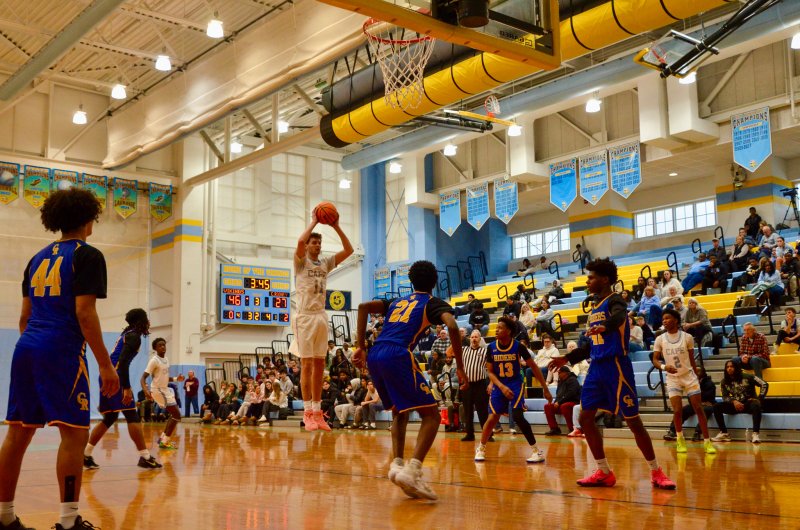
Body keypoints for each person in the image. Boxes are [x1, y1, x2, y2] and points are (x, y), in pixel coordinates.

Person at [0, 188, 119, 530]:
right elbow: (85, 313)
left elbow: (24, 318)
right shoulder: (88, 255)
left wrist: (35, 351)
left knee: (17, 434)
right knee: (74, 435)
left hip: (27, 347)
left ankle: (4, 516)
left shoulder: (36, 259)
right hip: (61, 350)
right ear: (89, 220)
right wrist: (105, 364)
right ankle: (69, 522)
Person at [549, 258, 676, 489]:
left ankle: (656, 471)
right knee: (585, 418)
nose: (588, 281)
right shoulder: (594, 309)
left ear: (605, 279)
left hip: (616, 366)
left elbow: (619, 318)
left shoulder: (615, 300)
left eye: (591, 277)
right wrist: (566, 358)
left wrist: (605, 326)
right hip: (596, 368)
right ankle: (603, 471)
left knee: (633, 421)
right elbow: (589, 346)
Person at [353, 260, 465, 501]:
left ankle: (396, 464)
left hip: (375, 354)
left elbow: (362, 307)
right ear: (434, 283)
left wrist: (360, 347)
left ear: (411, 281)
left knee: (399, 411)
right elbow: (453, 326)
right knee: (432, 415)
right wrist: (461, 366)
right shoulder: (432, 303)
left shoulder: (396, 301)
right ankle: (413, 470)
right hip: (397, 353)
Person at [290, 210, 354, 431]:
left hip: (320, 316)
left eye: (319, 242)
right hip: (304, 317)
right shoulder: (300, 262)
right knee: (306, 364)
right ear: (307, 246)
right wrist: (315, 221)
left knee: (319, 365)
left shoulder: (325, 263)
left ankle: (318, 413)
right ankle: (307, 412)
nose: (317, 245)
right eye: (313, 242)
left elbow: (349, 250)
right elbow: (299, 240)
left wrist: (336, 226)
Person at [83, 308, 162, 471]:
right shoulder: (134, 337)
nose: (148, 322)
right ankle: (145, 457)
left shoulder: (127, 334)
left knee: (110, 418)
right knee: (132, 415)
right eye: (146, 318)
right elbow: (123, 362)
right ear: (141, 321)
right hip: (115, 377)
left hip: (108, 376)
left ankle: (86, 454)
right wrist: (126, 387)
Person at [474, 317, 553, 464]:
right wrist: (500, 386)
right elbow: (490, 372)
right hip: (499, 385)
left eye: (500, 328)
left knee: (517, 416)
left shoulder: (518, 347)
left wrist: (545, 388)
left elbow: (534, 367)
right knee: (492, 418)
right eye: (496, 327)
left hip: (515, 384)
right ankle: (481, 448)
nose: (496, 330)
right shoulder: (491, 347)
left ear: (509, 331)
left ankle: (537, 451)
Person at [651, 310, 716, 454]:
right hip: (672, 378)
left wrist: (696, 375)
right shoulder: (660, 339)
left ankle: (707, 442)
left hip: (688, 376)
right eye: (663, 319)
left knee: (698, 408)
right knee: (677, 410)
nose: (664, 321)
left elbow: (692, 359)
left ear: (676, 320)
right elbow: (655, 360)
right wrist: (664, 366)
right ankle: (680, 439)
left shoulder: (687, 337)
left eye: (667, 318)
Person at [141, 338, 184, 450]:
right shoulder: (154, 360)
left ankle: (162, 439)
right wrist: (146, 390)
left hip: (165, 389)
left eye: (164, 345)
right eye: (160, 345)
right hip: (158, 390)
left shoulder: (166, 359)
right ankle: (165, 442)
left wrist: (176, 378)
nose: (163, 347)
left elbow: (164, 377)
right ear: (155, 348)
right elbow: (143, 377)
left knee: (174, 415)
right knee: (177, 415)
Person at [711, 360, 769, 444]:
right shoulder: (724, 381)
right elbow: (725, 396)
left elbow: (764, 384)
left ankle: (755, 434)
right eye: (727, 367)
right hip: (735, 406)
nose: (729, 369)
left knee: (756, 404)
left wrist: (759, 398)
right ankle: (724, 433)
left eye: (731, 366)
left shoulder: (748, 377)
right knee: (716, 406)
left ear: (736, 368)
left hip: (748, 404)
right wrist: (734, 401)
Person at [663, 368, 716, 442]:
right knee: (683, 410)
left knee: (705, 410)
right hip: (696, 403)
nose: (696, 372)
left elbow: (709, 396)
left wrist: (697, 397)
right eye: (695, 371)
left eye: (698, 371)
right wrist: (697, 399)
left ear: (703, 372)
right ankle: (672, 430)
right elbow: (690, 397)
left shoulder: (709, 383)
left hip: (709, 405)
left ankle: (697, 433)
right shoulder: (691, 382)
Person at [459, 330, 490, 442]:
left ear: (480, 339)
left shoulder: (485, 351)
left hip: (480, 384)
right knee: (468, 411)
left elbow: (491, 368)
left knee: (483, 411)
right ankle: (469, 434)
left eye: (476, 337)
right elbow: (449, 352)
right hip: (467, 385)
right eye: (472, 337)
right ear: (469, 339)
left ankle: (487, 434)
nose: (474, 339)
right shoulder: (464, 350)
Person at [544, 367, 581, 435]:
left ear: (565, 373)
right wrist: (556, 402)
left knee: (565, 406)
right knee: (548, 406)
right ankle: (554, 429)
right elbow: (558, 394)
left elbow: (571, 393)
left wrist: (559, 402)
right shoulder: (560, 381)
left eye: (559, 372)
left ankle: (572, 429)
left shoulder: (573, 380)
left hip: (574, 402)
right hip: (562, 403)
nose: (558, 374)